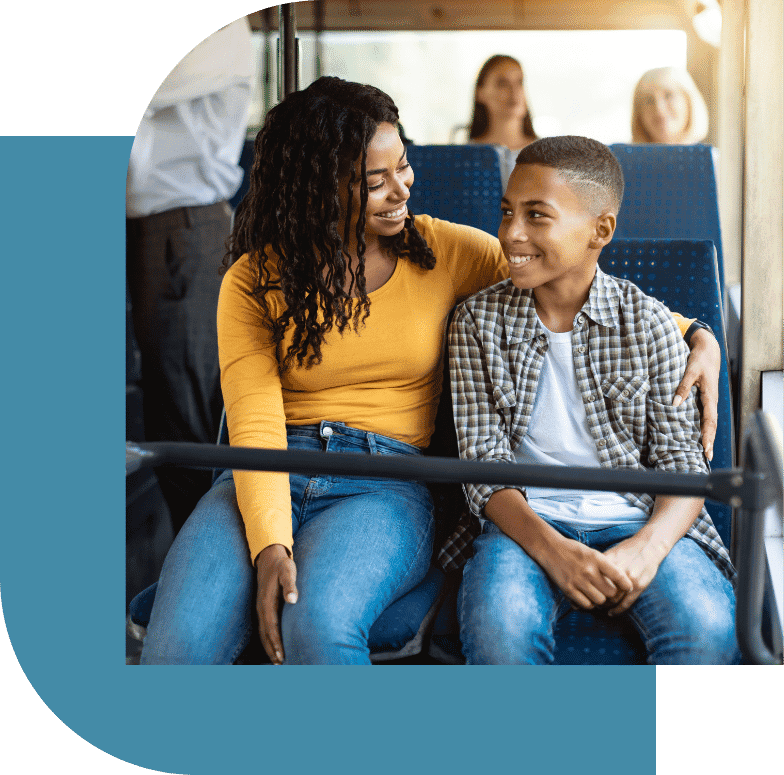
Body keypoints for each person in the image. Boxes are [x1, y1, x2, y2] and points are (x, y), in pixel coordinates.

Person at [138, 79, 723, 666]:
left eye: (404, 167)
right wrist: (269, 544)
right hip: (269, 467)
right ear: (318, 189)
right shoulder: (253, 279)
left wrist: (696, 334)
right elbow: (255, 421)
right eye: (375, 181)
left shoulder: (446, 253)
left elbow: (567, 283)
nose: (401, 190)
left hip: (384, 479)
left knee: (317, 628)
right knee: (176, 649)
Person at [449, 136, 739, 665]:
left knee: (707, 632)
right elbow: (483, 468)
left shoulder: (647, 321)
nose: (511, 233)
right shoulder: (476, 322)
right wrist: (556, 555)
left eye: (538, 216)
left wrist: (646, 551)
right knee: (500, 634)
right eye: (507, 212)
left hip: (639, 518)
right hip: (525, 526)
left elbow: (684, 466)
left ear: (600, 230)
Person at [126, 18, 254, 532]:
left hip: (184, 225)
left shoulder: (219, 28)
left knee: (187, 417)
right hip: (155, 223)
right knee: (169, 409)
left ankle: (202, 575)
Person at [467, 55, 538, 187]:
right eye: (502, 84)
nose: (514, 91)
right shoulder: (464, 158)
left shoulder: (548, 157)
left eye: (520, 82)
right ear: (480, 93)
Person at [631, 66, 709, 145]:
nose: (659, 108)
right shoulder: (621, 156)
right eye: (649, 100)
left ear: (688, 101)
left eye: (668, 95)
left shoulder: (710, 156)